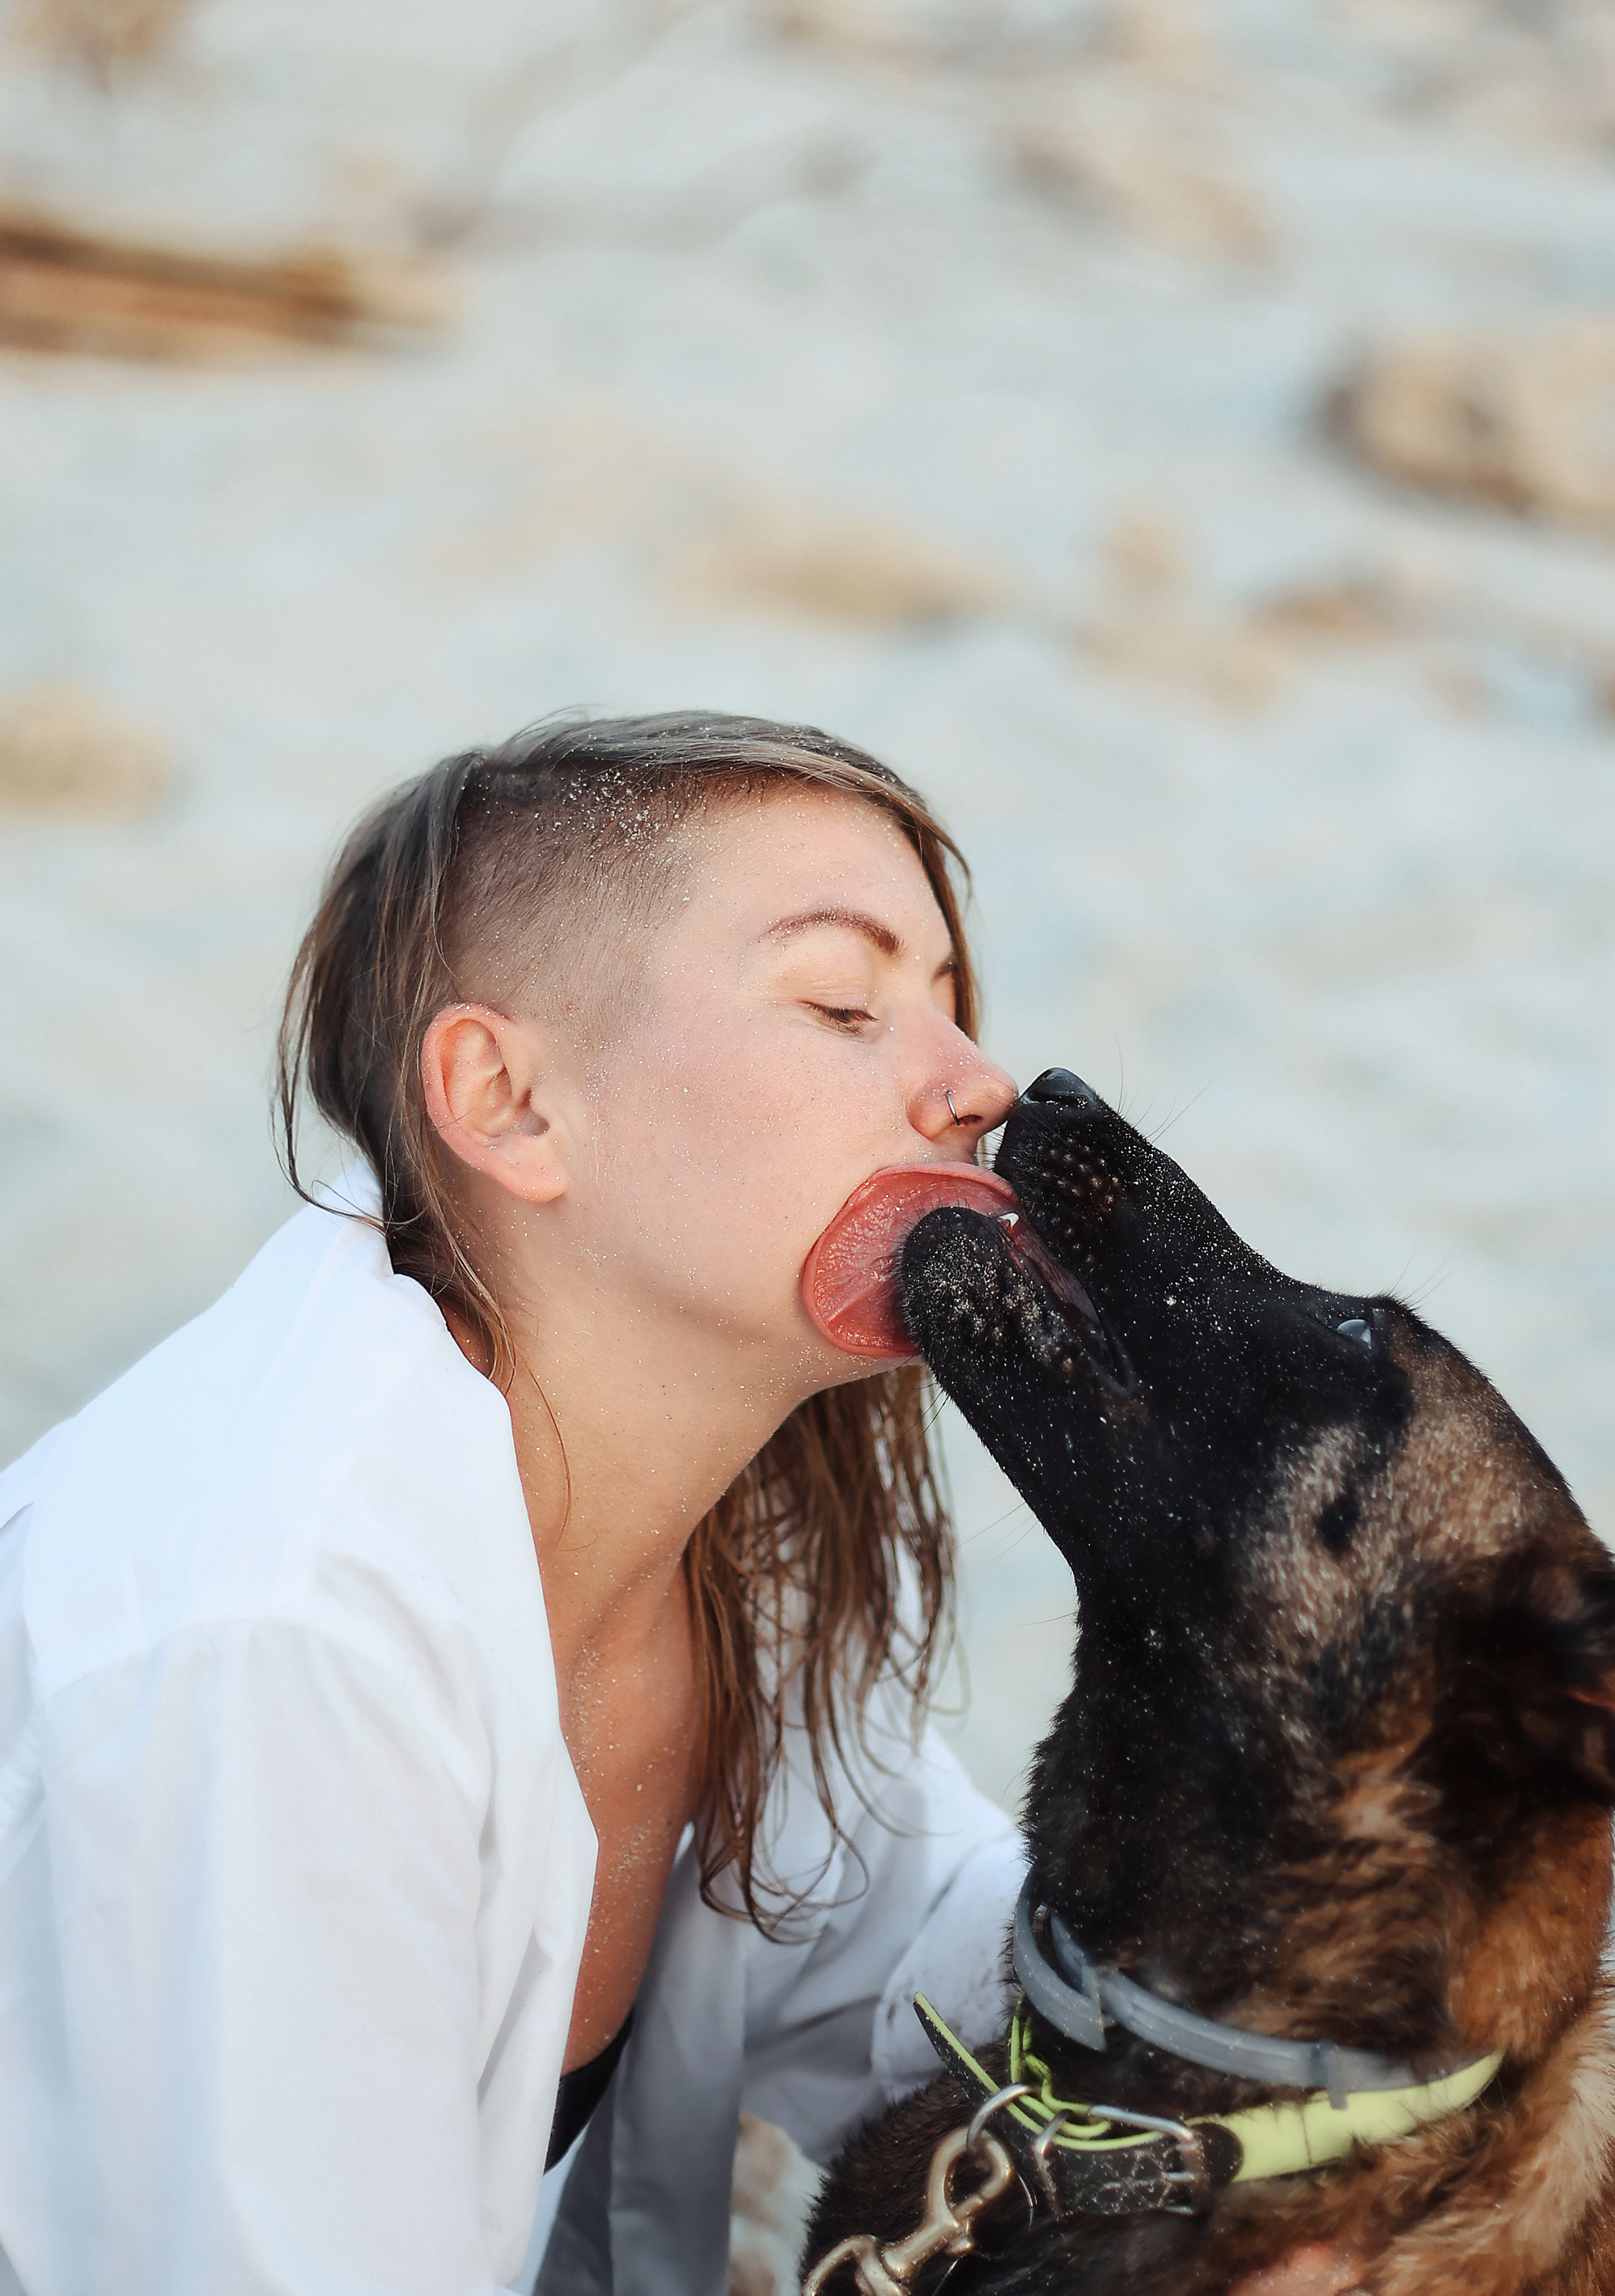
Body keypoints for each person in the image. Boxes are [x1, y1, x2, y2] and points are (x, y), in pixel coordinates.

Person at [0, 711, 1028, 2296]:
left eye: (951, 1005)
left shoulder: (726, 1513)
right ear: (507, 1101)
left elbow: (923, 1961)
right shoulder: (281, 1645)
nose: (976, 1084)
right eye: (844, 1001)